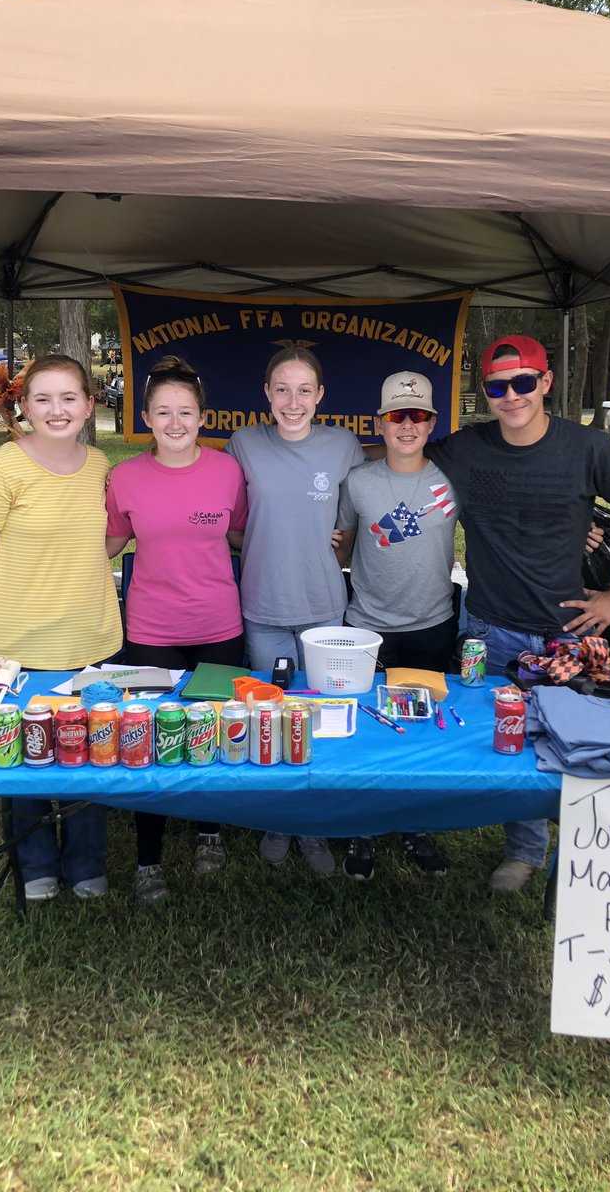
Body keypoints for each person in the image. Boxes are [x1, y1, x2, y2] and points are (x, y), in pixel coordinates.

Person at [424, 334, 610, 892]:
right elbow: (399, 451)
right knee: (504, 738)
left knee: (569, 743)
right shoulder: (465, 447)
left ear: (546, 382)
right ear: (485, 392)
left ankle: (582, 857)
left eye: (523, 382)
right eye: (498, 386)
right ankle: (525, 852)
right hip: (486, 626)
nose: (512, 396)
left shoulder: (588, 447)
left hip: (565, 631)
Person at [0, 354, 123, 901]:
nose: (57, 410)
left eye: (69, 398)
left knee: (90, 750)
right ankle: (34, 863)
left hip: (90, 639)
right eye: (43, 399)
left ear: (90, 404)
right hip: (16, 645)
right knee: (24, 755)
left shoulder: (100, 466)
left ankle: (86, 861)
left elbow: (104, 538)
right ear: (23, 406)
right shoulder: (2, 468)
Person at [106, 356, 248, 905]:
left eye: (184, 411)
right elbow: (107, 546)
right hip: (149, 630)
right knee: (151, 738)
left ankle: (210, 830)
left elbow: (240, 536)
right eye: (162, 411)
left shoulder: (227, 472)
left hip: (219, 626)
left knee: (212, 728)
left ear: (202, 416)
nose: (174, 422)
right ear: (145, 416)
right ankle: (148, 858)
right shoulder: (124, 478)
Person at [225, 347, 367, 876]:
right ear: (266, 394)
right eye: (282, 389)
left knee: (319, 717)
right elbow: (233, 519)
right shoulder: (243, 443)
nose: (293, 401)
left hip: (323, 606)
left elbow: (356, 513)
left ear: (321, 396)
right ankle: (277, 818)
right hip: (262, 604)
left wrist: (340, 540)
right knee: (271, 715)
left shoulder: (342, 445)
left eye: (304, 390)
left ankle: (314, 825)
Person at [335, 371, 461, 880]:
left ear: (432, 422)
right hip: (368, 626)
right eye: (395, 416)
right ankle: (364, 829)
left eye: (417, 416)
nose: (406, 426)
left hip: (433, 623)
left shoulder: (452, 480)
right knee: (370, 728)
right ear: (379, 424)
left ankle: (415, 824)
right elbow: (340, 544)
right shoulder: (358, 481)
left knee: (420, 730)